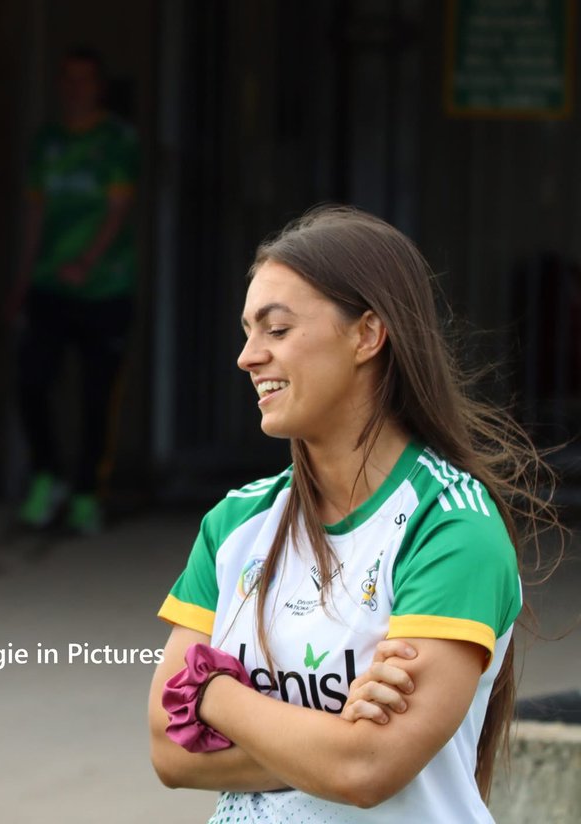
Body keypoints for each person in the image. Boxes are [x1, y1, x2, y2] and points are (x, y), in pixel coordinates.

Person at [147, 206, 561, 821]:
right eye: (247, 331)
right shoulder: (234, 524)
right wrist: (335, 732)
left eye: (277, 329)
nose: (247, 357)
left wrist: (211, 692)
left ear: (367, 335)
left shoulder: (451, 527)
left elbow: (367, 769)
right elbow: (169, 752)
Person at [7, 46, 140, 534]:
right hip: (49, 287)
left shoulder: (117, 139)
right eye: (67, 78)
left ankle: (88, 494)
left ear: (99, 86)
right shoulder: (48, 141)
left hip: (106, 288)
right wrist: (22, 281)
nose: (74, 88)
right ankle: (48, 476)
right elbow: (35, 214)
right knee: (32, 382)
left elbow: (118, 209)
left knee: (97, 397)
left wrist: (86, 262)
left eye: (84, 79)